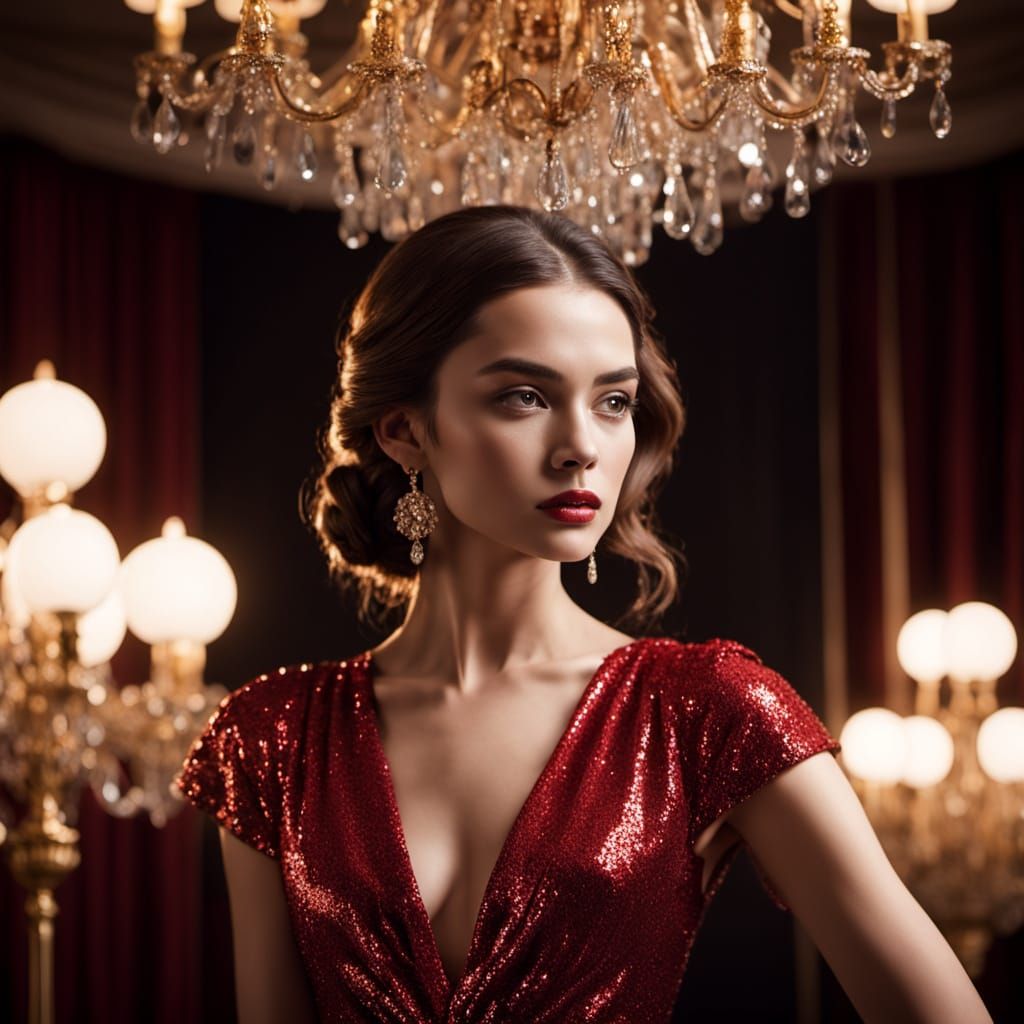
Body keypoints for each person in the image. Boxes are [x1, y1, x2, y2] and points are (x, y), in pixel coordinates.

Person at [175, 205, 992, 1024]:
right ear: (405, 430)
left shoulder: (707, 709)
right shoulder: (272, 736)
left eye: (612, 402)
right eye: (525, 396)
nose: (581, 446)